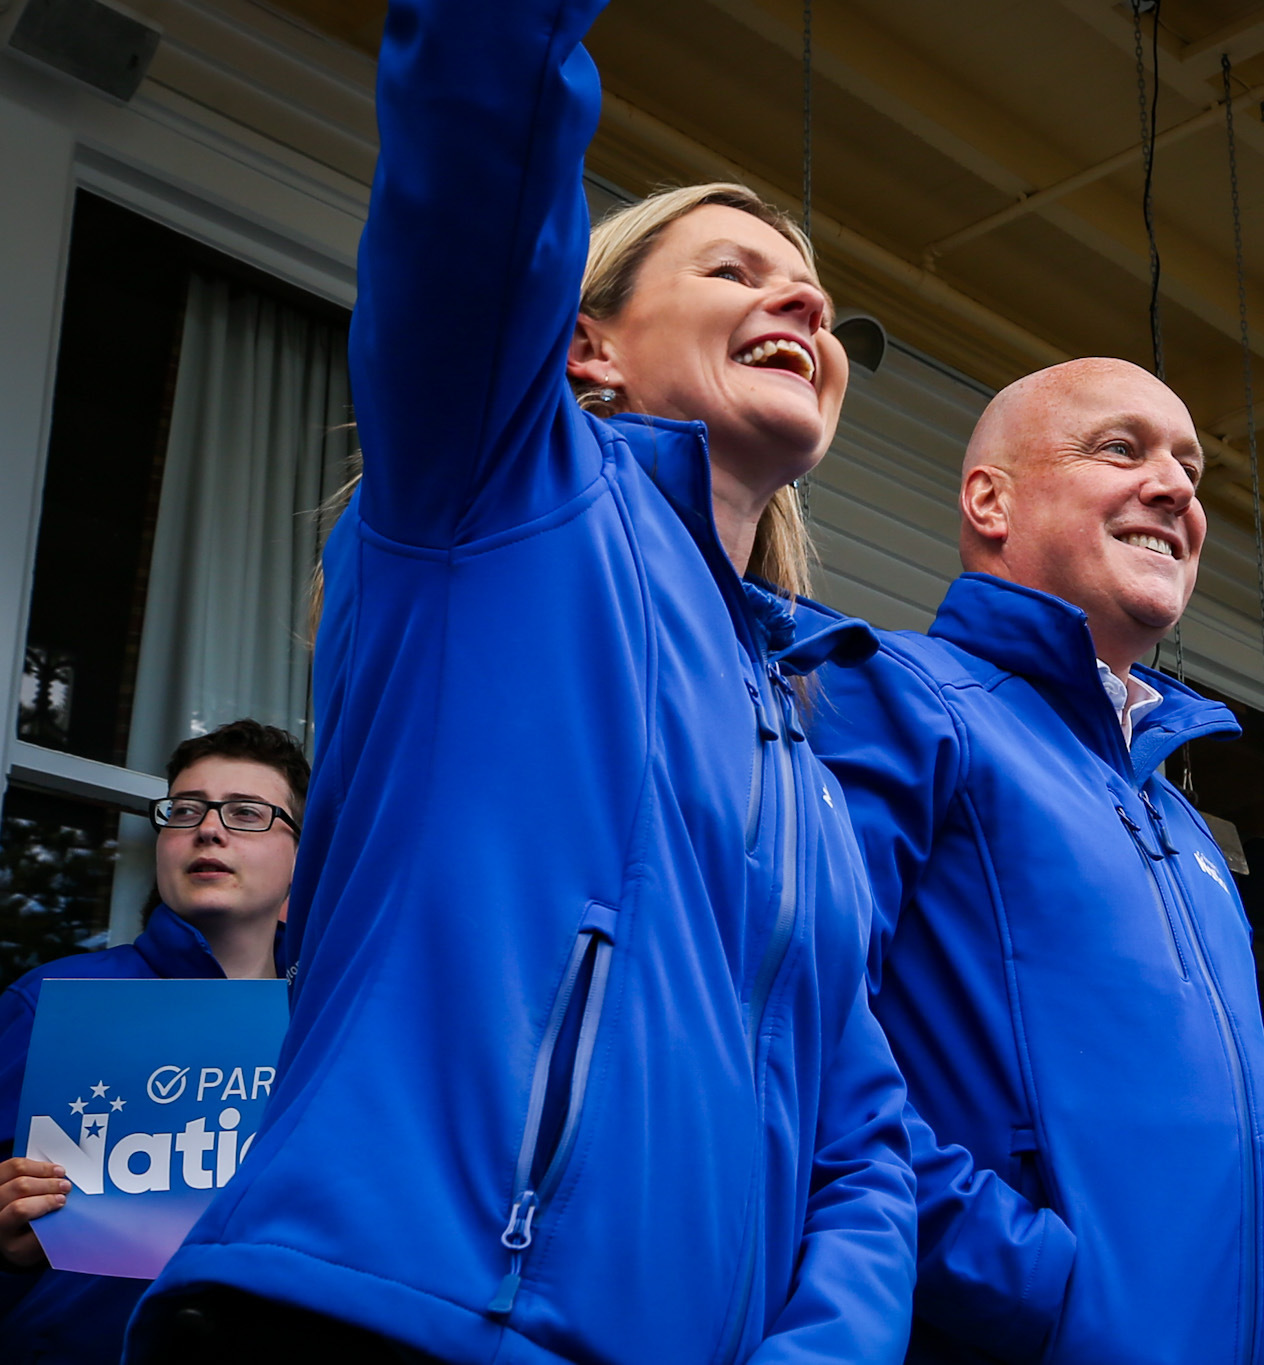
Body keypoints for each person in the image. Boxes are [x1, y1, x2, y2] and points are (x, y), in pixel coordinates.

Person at [128, 0, 916, 1359]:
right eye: (737, 270)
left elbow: (865, 1143)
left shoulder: (803, 737)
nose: (801, 303)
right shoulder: (499, 487)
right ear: (583, 345)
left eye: (823, 305)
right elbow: (482, 111)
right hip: (383, 1321)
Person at [803, 357, 1264, 1363]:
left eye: (1190, 470)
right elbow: (802, 1026)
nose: (1176, 489)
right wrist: (1029, 1282)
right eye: (1121, 448)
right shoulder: (894, 697)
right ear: (990, 500)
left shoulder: (1182, 821)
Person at [0, 719, 302, 1363]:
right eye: (185, 810)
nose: (210, 828)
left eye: (247, 812)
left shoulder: (332, 1032)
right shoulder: (52, 1000)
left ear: (302, 863)